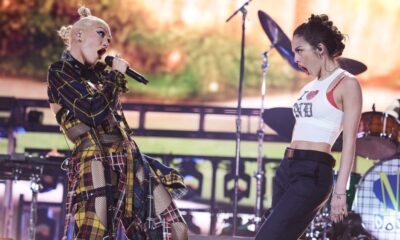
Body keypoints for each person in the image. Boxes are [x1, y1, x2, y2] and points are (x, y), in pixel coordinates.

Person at [47, 6, 188, 240]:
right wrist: (115, 77)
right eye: (101, 33)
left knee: (176, 228)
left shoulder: (102, 73)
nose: (107, 41)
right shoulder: (60, 71)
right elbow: (92, 113)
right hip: (95, 159)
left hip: (130, 159)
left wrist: (111, 77)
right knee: (96, 233)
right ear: (78, 35)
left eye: (110, 38)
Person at [255, 14, 362, 240]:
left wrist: (340, 192)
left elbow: (350, 141)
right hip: (288, 168)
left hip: (312, 173)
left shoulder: (347, 83)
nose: (295, 58)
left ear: (320, 49)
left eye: (299, 50)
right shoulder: (310, 86)